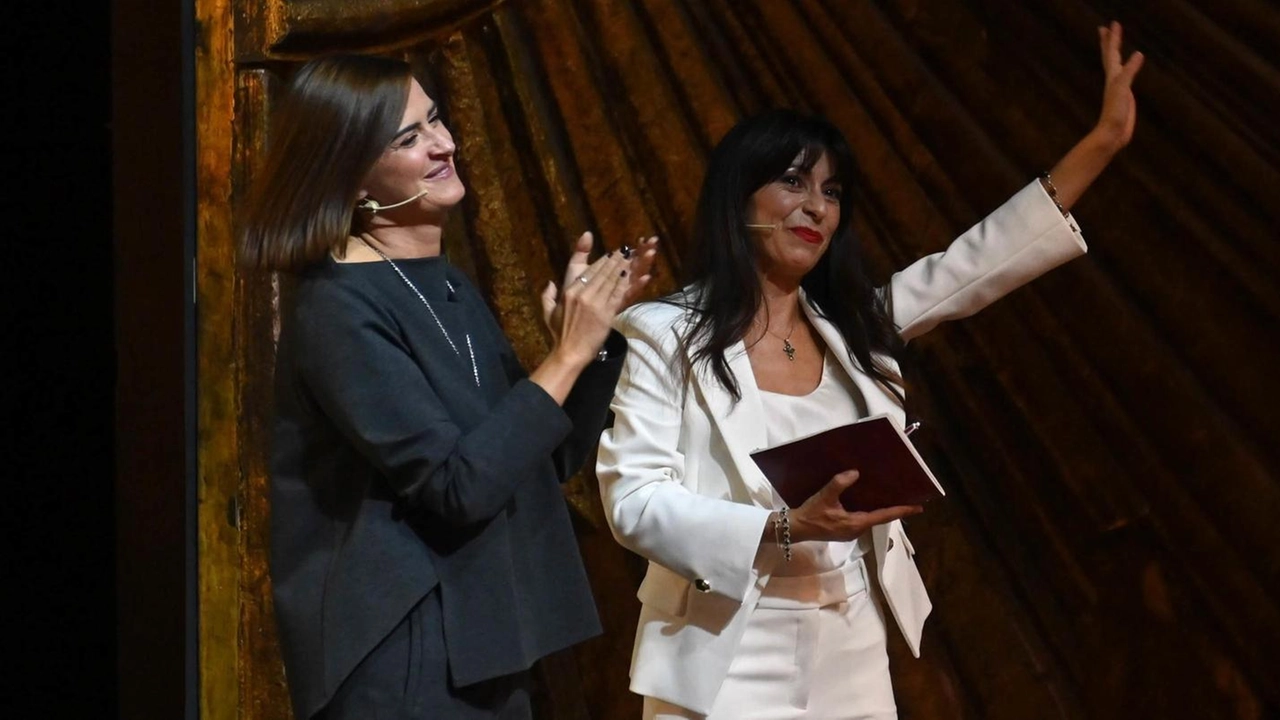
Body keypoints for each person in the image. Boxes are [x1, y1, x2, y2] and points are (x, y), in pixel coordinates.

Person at [596, 21, 1144, 720]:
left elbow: (976, 261)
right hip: (723, 647)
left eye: (831, 190)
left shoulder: (856, 328)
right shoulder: (664, 332)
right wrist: (781, 529)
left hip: (847, 644)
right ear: (739, 199)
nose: (816, 206)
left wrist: (1101, 143)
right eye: (792, 181)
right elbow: (634, 501)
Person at [239, 54, 657, 720]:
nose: (445, 143)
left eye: (434, 119)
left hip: (483, 639)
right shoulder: (337, 309)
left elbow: (539, 460)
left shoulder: (445, 282)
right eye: (408, 138)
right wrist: (566, 356)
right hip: (405, 654)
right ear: (350, 175)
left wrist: (590, 345)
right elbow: (455, 487)